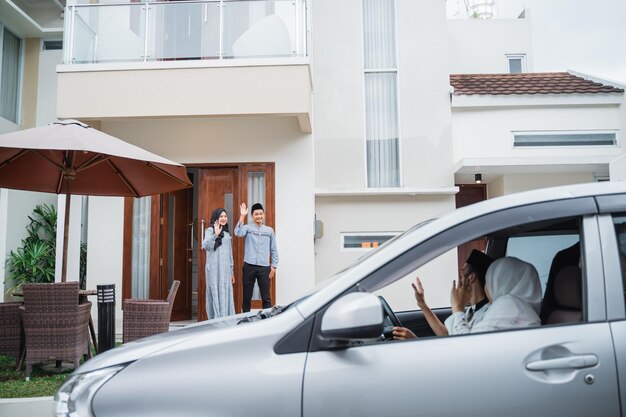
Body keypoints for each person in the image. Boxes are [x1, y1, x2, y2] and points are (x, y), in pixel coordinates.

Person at [393, 249, 493, 339]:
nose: (458, 280)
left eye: (461, 275)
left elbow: (463, 348)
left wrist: (457, 307)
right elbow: (447, 335)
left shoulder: (487, 315)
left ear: (471, 278)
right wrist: (422, 304)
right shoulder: (472, 310)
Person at [459, 256, 542, 334]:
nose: (486, 287)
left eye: (489, 281)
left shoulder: (509, 306)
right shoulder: (522, 310)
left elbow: (471, 343)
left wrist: (457, 309)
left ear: (499, 283)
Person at [235, 202, 279, 312]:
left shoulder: (269, 230)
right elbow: (237, 232)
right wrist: (242, 216)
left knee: (266, 298)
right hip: (249, 266)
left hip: (264, 267)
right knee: (246, 297)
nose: (259, 216)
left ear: (263, 214)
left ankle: (267, 321)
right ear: (252, 216)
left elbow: (273, 249)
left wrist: (274, 266)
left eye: (260, 214)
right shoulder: (247, 228)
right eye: (256, 214)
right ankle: (245, 319)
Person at [202, 207, 235, 319]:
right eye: (221, 216)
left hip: (225, 270)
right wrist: (215, 235)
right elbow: (205, 246)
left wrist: (232, 271)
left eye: (225, 216)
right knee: (215, 291)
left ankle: (226, 319)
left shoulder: (226, 234)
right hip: (213, 269)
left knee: (225, 291)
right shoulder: (209, 230)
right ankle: (216, 319)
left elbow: (230, 254)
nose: (223, 218)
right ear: (216, 217)